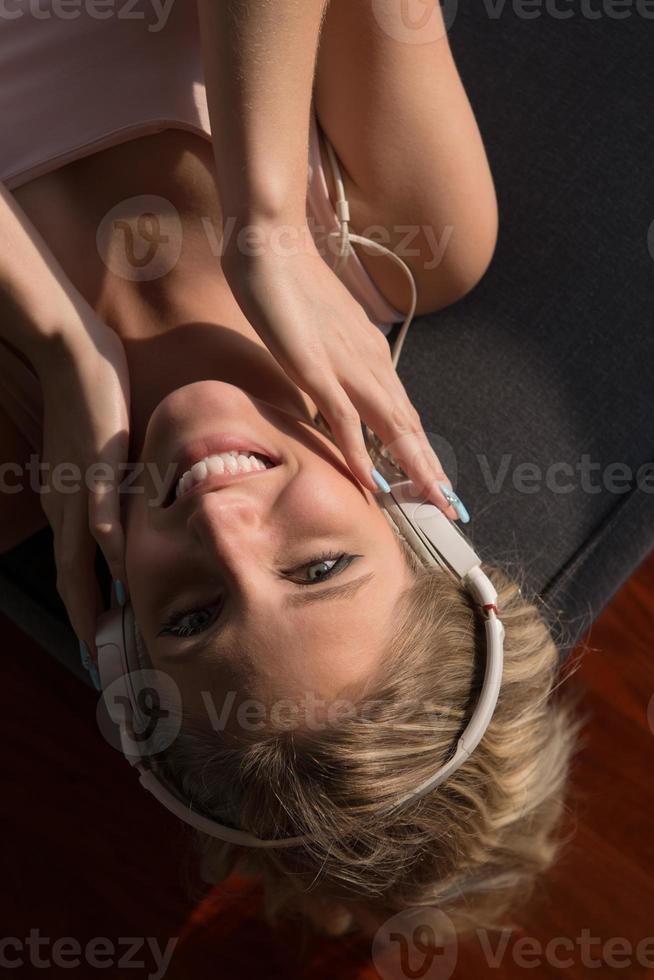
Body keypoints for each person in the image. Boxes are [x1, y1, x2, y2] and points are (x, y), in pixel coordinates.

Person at [0, 0, 582, 942]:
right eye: (317, 570)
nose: (223, 527)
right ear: (420, 524)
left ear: (119, 641)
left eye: (190, 616)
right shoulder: (409, 232)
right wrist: (265, 220)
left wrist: (56, 339)